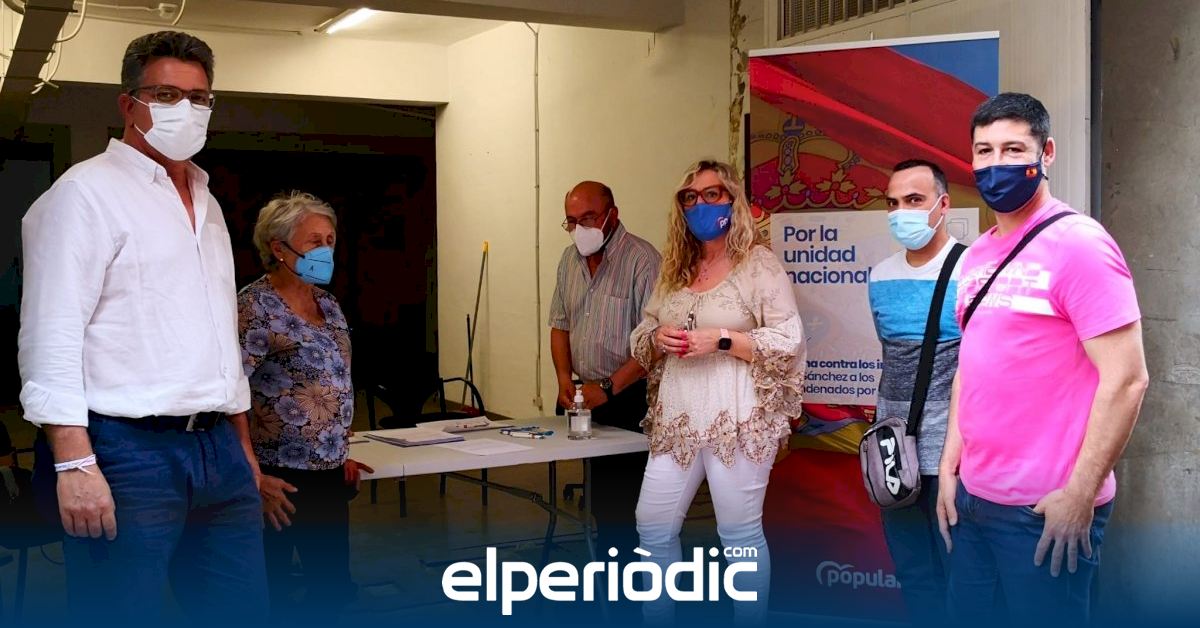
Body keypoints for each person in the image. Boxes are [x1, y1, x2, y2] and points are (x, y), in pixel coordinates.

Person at [17, 31, 266, 621]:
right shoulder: (84, 195)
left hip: (217, 448)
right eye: (166, 94)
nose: (186, 109)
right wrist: (74, 464)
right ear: (129, 104)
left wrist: (242, 447)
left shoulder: (207, 202)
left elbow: (218, 335)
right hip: (127, 451)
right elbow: (51, 335)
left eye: (199, 98)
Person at [937, 92, 1149, 625]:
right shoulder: (977, 255)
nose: (996, 164)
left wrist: (1080, 495)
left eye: (1013, 149)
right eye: (984, 151)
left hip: (1041, 512)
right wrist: (949, 467)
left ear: (1046, 152)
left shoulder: (1080, 245)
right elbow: (971, 368)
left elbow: (1127, 379)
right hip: (973, 501)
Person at [630, 159, 805, 626]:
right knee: (652, 524)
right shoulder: (675, 268)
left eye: (712, 194)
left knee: (739, 534)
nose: (700, 205)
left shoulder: (758, 264)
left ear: (732, 201)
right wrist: (657, 338)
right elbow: (643, 331)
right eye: (690, 197)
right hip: (679, 415)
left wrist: (724, 340)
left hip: (737, 415)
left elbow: (788, 339)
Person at [232, 191, 372, 621]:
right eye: (314, 241)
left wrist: (340, 451)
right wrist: (253, 477)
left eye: (330, 240)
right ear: (279, 248)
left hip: (328, 474)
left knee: (331, 589)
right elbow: (229, 395)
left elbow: (335, 380)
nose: (326, 250)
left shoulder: (327, 304)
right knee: (271, 594)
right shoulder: (255, 308)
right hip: (277, 477)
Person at [868, 159, 964, 624]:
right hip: (895, 455)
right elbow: (892, 357)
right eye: (893, 203)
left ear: (942, 205)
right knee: (914, 574)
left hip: (956, 456)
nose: (901, 212)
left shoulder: (973, 269)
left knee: (961, 576)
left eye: (914, 200)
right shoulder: (879, 276)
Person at [548, 180, 661, 557]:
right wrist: (564, 378)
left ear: (612, 214)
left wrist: (610, 388)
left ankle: (626, 576)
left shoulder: (643, 261)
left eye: (589, 218)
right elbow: (560, 325)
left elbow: (653, 345)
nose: (579, 228)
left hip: (628, 396)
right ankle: (607, 560)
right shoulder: (569, 261)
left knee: (622, 502)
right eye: (571, 221)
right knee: (599, 494)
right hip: (583, 393)